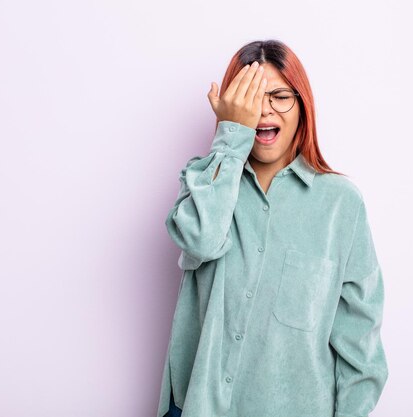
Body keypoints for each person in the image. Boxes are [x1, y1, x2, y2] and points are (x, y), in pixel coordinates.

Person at [158, 39, 388, 417]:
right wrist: (231, 136)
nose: (263, 110)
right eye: (250, 98)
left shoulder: (341, 204)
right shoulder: (206, 180)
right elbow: (199, 240)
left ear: (302, 105)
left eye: (279, 96)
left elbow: (360, 343)